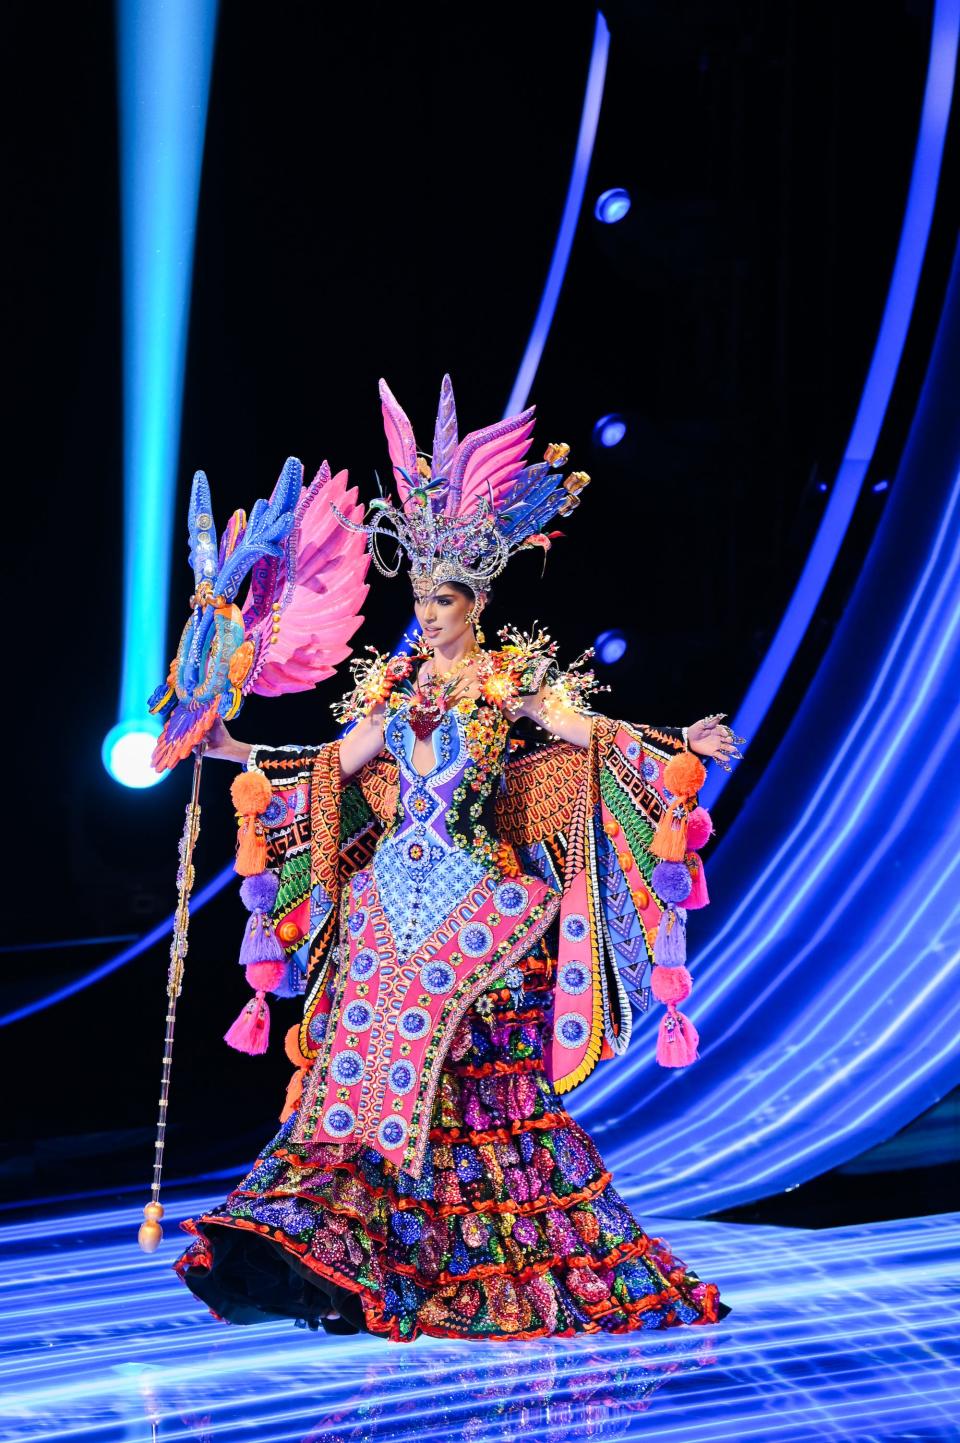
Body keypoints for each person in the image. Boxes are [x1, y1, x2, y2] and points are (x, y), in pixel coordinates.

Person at [172, 376, 741, 1342]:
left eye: (442, 597)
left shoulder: (507, 678)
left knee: (472, 1077)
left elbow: (582, 729)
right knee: (353, 1061)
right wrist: (228, 750)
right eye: (419, 596)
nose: (427, 612)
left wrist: (673, 733)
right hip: (391, 897)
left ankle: (473, 1258)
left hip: (481, 900)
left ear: (474, 600)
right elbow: (328, 765)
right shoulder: (393, 688)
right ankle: (329, 1254)